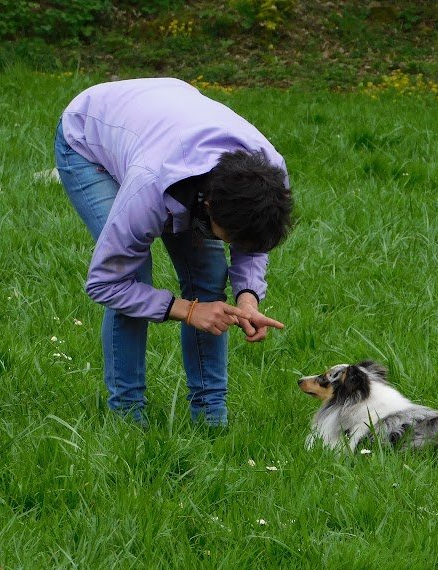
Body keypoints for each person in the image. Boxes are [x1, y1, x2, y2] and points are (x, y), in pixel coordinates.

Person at [54, 77, 293, 427]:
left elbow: (254, 241)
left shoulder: (270, 178)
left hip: (164, 123)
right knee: (133, 277)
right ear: (209, 207)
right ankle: (127, 418)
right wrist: (188, 310)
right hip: (89, 136)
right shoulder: (149, 186)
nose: (233, 246)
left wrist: (247, 299)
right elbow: (106, 283)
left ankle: (210, 420)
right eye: (229, 238)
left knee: (210, 279)